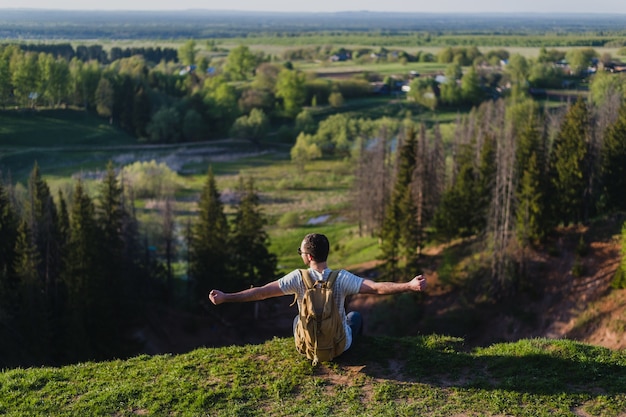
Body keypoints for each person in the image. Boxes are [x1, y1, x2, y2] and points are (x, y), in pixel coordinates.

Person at [208, 233, 427, 358]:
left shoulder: (297, 278)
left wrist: (227, 297)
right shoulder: (341, 278)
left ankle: (314, 346)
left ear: (309, 256)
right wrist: (409, 285)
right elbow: (377, 288)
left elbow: (262, 292)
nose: (301, 255)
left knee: (296, 319)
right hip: (340, 347)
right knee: (355, 318)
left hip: (307, 349)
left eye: (301, 252)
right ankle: (345, 350)